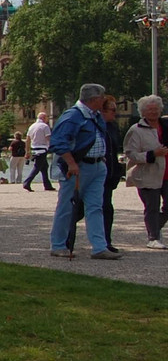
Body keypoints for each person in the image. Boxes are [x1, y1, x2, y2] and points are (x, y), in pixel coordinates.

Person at [49, 83, 117, 259]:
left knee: (96, 207)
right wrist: (71, 163)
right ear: (94, 99)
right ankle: (58, 245)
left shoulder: (95, 115)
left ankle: (99, 247)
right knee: (66, 207)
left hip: (96, 166)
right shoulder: (72, 116)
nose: (104, 101)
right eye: (102, 98)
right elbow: (58, 142)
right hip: (78, 167)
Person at [123, 93, 168, 250]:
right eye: (149, 110)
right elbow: (131, 154)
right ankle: (153, 237)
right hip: (148, 174)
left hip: (166, 173)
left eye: (156, 109)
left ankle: (154, 228)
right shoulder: (136, 130)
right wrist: (152, 154)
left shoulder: (165, 125)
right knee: (152, 207)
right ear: (143, 112)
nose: (153, 112)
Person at [24, 111, 54, 190]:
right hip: (42, 149)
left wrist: (27, 151)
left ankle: (47, 185)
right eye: (46, 117)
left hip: (34, 149)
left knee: (44, 167)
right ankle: (27, 182)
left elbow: (27, 140)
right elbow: (48, 138)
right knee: (37, 167)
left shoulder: (32, 126)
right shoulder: (45, 126)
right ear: (43, 118)